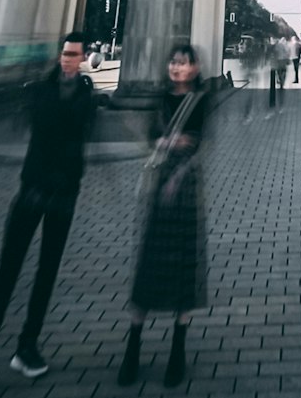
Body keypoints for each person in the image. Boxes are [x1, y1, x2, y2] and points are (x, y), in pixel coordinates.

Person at [0, 32, 96, 398]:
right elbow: (47, 129)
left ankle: (27, 347)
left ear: (85, 56)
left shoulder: (87, 96)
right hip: (32, 191)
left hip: (63, 195)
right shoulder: (40, 90)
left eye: (74, 55)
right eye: (64, 54)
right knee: (7, 272)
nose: (67, 60)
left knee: (47, 272)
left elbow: (80, 137)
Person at [119, 43, 208, 389]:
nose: (176, 68)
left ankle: (178, 349)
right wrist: (168, 143)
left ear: (195, 68)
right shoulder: (160, 98)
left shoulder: (201, 100)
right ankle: (133, 345)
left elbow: (197, 141)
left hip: (184, 192)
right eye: (173, 62)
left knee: (184, 270)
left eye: (183, 63)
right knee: (149, 268)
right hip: (160, 193)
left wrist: (170, 146)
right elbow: (153, 138)